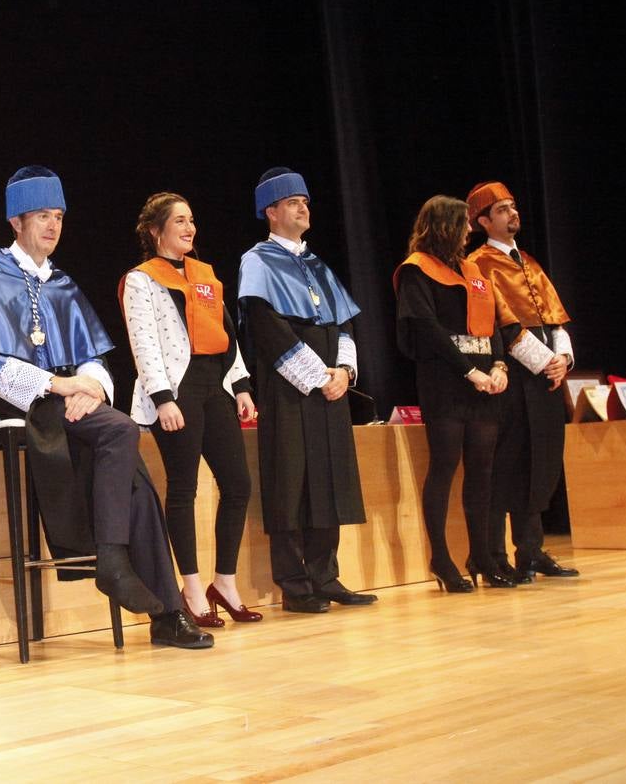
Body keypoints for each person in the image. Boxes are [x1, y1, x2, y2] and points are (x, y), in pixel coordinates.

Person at [0, 166, 210, 649]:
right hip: (21, 404)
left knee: (139, 485)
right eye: (41, 217)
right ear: (16, 221)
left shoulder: (63, 285)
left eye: (58, 217)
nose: (52, 226)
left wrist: (89, 386)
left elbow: (95, 358)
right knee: (121, 434)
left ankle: (163, 611)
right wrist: (57, 385)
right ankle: (116, 564)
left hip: (72, 408)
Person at [237, 168, 376, 613]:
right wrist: (317, 375)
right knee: (291, 482)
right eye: (293, 202)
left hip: (330, 389)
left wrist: (344, 373)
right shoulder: (257, 260)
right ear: (272, 212)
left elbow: (344, 322)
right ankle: (294, 584)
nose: (303, 208)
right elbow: (265, 324)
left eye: (306, 201)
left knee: (328, 480)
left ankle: (326, 575)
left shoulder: (317, 264)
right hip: (289, 388)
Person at [120, 193, 262, 629]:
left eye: (191, 220)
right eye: (178, 221)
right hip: (176, 391)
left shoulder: (205, 275)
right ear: (154, 231)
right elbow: (143, 343)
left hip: (214, 386)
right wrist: (163, 398)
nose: (189, 228)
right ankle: (193, 588)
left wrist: (240, 386)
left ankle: (225, 581)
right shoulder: (142, 280)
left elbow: (226, 335)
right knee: (183, 489)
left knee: (237, 484)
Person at [394, 195, 512, 592]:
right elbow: (426, 328)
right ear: (444, 226)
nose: (468, 231)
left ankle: (481, 554)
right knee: (445, 467)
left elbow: (492, 322)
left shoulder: (472, 269)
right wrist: (469, 372)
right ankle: (441, 559)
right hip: (445, 381)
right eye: (462, 224)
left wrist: (498, 365)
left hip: (483, 381)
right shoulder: (417, 270)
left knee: (482, 469)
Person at [468, 181, 580, 580]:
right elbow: (502, 323)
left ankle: (531, 550)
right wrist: (544, 361)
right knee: (510, 463)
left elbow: (555, 317)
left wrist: (563, 358)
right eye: (502, 209)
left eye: (513, 206)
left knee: (542, 460)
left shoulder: (529, 261)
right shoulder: (479, 263)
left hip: (547, 373)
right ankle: (496, 554)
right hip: (514, 375)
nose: (513, 214)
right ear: (483, 221)